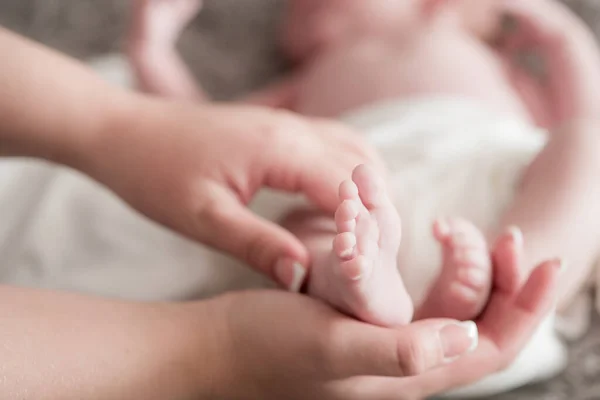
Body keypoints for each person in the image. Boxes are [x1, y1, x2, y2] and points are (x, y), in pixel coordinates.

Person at [129, 0, 600, 396]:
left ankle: (512, 280)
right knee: (296, 227)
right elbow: (213, 136)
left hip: (487, 184)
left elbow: (581, 114)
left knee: (586, 147)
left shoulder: (467, 43)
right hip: (360, 207)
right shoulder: (303, 80)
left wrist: (563, 37)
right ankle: (355, 288)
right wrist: (152, 51)